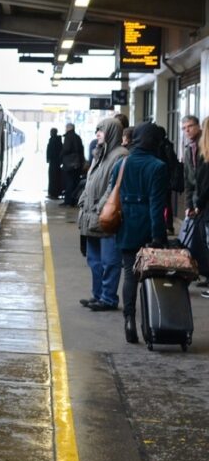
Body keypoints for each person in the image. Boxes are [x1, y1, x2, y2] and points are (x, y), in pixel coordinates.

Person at [109, 122, 168, 343]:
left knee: (129, 274)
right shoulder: (158, 167)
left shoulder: (121, 164)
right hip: (146, 228)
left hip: (124, 226)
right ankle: (150, 323)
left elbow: (113, 192)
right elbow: (156, 206)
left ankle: (129, 320)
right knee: (150, 278)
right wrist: (158, 237)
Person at [77, 118, 127, 311]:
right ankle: (98, 295)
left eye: (101, 131)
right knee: (94, 260)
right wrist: (83, 199)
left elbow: (114, 185)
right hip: (91, 216)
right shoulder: (99, 154)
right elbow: (91, 180)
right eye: (97, 130)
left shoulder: (120, 155)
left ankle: (108, 298)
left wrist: (100, 206)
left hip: (105, 216)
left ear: (112, 133)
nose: (97, 134)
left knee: (109, 261)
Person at [180, 115, 209, 287]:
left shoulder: (204, 146)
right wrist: (189, 205)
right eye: (184, 128)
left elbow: (204, 181)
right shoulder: (187, 149)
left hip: (204, 202)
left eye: (190, 126)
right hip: (199, 202)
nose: (187, 130)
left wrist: (198, 205)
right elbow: (189, 181)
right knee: (200, 240)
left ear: (199, 127)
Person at [156, 126, 181, 234]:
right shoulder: (167, 144)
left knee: (164, 203)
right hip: (166, 179)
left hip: (163, 179)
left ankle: (167, 226)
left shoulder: (162, 145)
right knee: (167, 203)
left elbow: (170, 162)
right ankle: (168, 226)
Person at [60, 123, 84, 206]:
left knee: (69, 182)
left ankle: (68, 201)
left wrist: (60, 155)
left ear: (67, 128)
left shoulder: (68, 137)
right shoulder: (77, 137)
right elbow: (81, 150)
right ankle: (74, 201)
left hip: (69, 164)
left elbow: (66, 149)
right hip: (77, 163)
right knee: (75, 182)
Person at [46, 128, 63, 199]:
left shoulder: (53, 140)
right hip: (56, 162)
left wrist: (49, 158)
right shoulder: (58, 140)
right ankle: (54, 193)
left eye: (51, 132)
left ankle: (53, 193)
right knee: (55, 178)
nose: (50, 133)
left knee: (53, 178)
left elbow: (51, 151)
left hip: (53, 162)